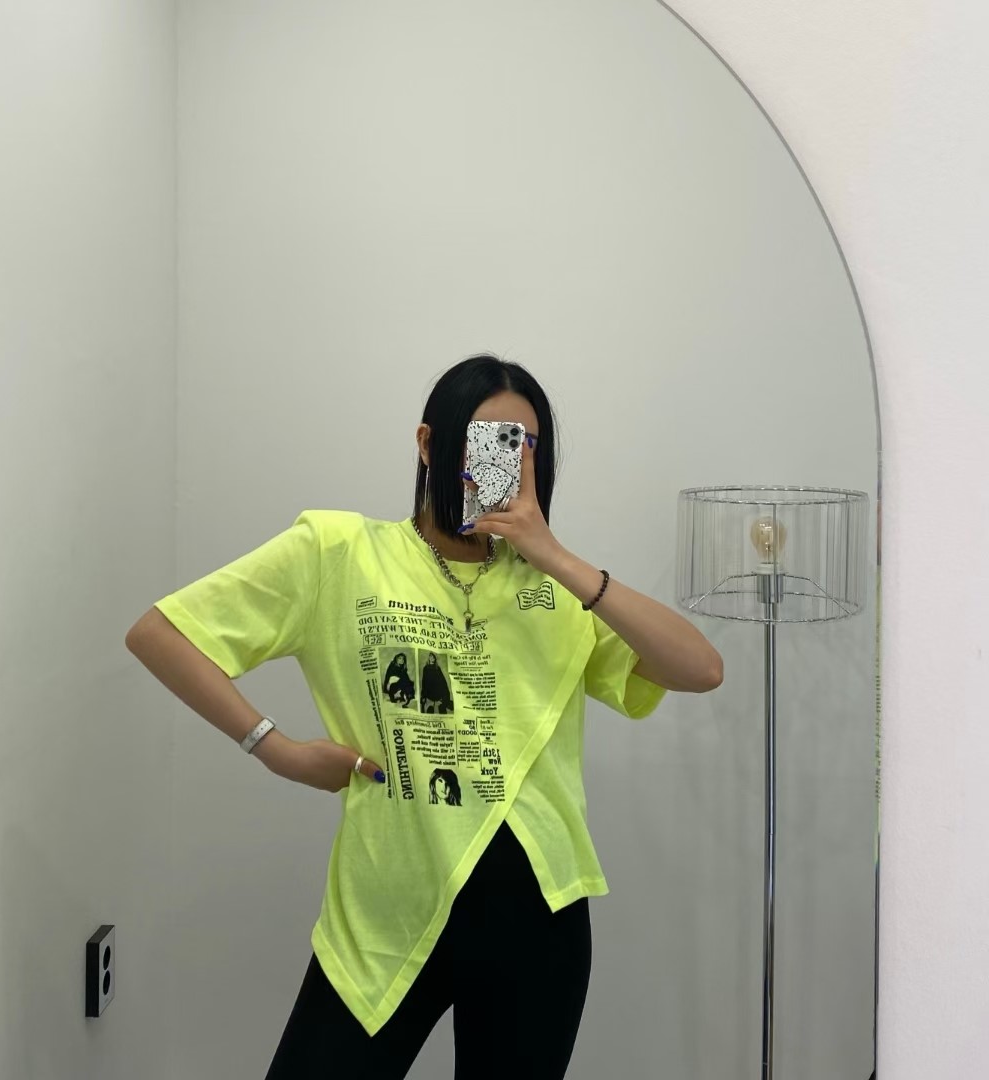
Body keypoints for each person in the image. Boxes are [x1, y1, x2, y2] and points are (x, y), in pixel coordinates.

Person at [125, 353, 723, 1079]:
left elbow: (700, 669)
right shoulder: (339, 552)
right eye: (483, 439)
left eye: (524, 446)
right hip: (386, 909)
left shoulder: (556, 589)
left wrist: (556, 557)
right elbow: (161, 634)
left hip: (538, 916)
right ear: (429, 444)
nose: (503, 461)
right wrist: (276, 749)